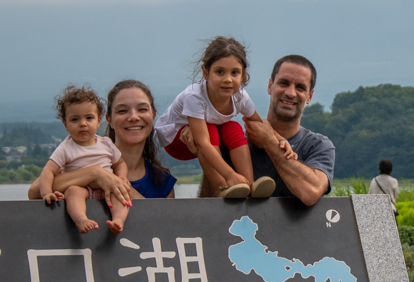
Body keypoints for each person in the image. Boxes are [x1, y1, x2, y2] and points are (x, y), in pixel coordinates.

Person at [183, 55, 335, 205]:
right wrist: (203, 154)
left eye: (300, 87)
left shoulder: (318, 146)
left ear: (310, 96)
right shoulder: (234, 143)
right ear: (270, 86)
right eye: (284, 83)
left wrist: (270, 143)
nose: (290, 93)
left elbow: (311, 193)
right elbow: (210, 204)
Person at [155, 37, 292, 198]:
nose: (228, 79)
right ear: (206, 72)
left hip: (204, 135)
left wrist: (281, 140)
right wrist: (229, 175)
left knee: (233, 127)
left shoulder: (240, 96)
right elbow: (203, 142)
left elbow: (258, 123)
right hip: (176, 139)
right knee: (209, 129)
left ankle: (249, 184)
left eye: (235, 73)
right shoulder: (195, 96)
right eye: (220, 72)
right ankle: (222, 187)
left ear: (242, 75)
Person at [28, 79, 176, 202]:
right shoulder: (79, 157)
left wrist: (118, 185)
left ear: (153, 116)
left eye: (142, 109)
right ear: (108, 120)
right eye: (122, 111)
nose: (133, 117)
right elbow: (34, 192)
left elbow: (164, 229)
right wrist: (94, 173)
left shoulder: (163, 182)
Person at [37, 85, 130, 234]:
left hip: (107, 187)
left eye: (89, 118)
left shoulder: (106, 143)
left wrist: (122, 177)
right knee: (73, 192)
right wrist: (47, 192)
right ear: (65, 124)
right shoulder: (65, 148)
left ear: (99, 121)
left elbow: (120, 163)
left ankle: (118, 220)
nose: (83, 123)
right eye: (75, 119)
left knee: (120, 192)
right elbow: (48, 171)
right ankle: (81, 219)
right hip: (83, 189)